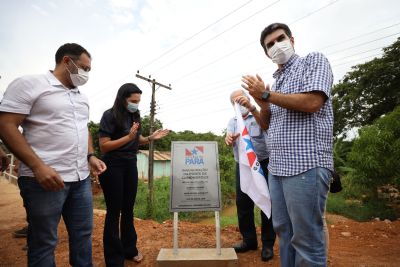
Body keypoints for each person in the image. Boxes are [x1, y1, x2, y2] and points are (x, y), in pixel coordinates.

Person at [0, 43, 107, 266]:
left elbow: (82, 128)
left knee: (83, 236)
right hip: (43, 181)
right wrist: (38, 167)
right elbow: (7, 125)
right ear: (66, 61)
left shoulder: (81, 97)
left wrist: (90, 156)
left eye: (89, 70)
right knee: (44, 242)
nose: (86, 74)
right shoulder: (30, 84)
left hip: (80, 180)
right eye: (83, 68)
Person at [242, 22, 334, 266]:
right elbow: (267, 125)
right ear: (266, 53)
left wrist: (265, 95)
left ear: (292, 39)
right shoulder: (277, 81)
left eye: (280, 39)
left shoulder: (313, 61)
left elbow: (313, 102)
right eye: (269, 45)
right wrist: (260, 104)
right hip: (278, 168)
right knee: (284, 232)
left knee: (307, 239)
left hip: (306, 164)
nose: (276, 46)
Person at [98, 83, 169, 267]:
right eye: (133, 101)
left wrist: (150, 138)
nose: (136, 104)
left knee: (128, 209)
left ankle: (129, 249)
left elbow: (135, 142)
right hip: (112, 165)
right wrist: (128, 138)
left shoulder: (135, 115)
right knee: (114, 211)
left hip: (130, 163)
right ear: (122, 99)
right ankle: (114, 259)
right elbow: (104, 145)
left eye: (138, 101)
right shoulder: (109, 115)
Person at [225, 89, 276, 262]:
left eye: (241, 100)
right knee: (243, 203)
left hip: (263, 164)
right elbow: (229, 138)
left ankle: (268, 244)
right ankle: (249, 240)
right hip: (243, 166)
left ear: (247, 99)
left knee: (266, 201)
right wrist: (228, 139)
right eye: (235, 102)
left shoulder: (259, 115)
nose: (239, 104)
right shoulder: (233, 122)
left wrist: (253, 107)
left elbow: (266, 126)